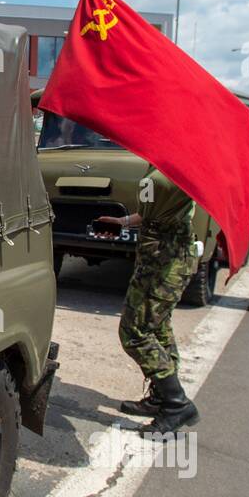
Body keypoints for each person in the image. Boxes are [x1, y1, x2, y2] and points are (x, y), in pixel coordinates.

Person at [94, 165, 200, 436]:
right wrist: (123, 222)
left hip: (168, 260)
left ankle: (176, 404)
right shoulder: (159, 160)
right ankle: (162, 397)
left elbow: (174, 208)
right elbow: (151, 212)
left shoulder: (187, 163)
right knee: (158, 328)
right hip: (154, 257)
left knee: (135, 332)